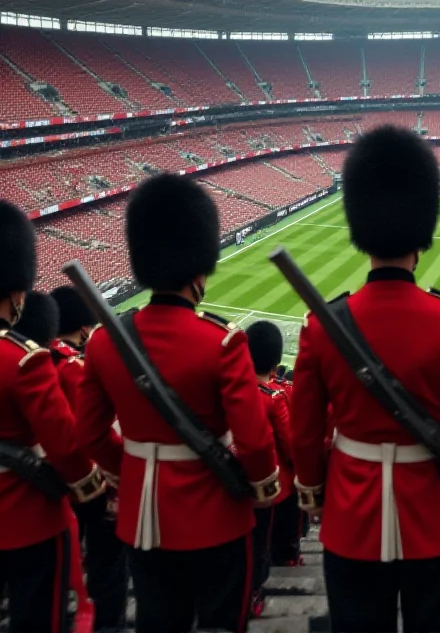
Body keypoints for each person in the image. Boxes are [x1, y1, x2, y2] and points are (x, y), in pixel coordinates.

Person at [290, 125, 440, 633]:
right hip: (434, 520)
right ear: (422, 235)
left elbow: (303, 432)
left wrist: (316, 493)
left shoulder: (323, 326)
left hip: (350, 519)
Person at [76, 174, 280, 633]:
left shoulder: (106, 344)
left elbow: (89, 433)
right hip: (217, 516)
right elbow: (254, 442)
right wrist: (261, 487)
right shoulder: (222, 343)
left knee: (157, 620)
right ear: (199, 268)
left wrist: (135, 473)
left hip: (143, 515)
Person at [0, 200, 105, 633]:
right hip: (27, 519)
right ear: (17, 290)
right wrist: (92, 486)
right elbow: (65, 444)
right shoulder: (22, 360)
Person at [49, 284, 130, 632]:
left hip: (47, 480)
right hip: (85, 482)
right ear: (84, 327)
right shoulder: (73, 367)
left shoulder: (37, 357)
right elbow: (94, 430)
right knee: (107, 562)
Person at [246, 320, 299, 614]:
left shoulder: (233, 392)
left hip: (235, 483)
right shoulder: (273, 399)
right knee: (263, 543)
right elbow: (291, 446)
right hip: (274, 486)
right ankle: (255, 592)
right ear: (275, 362)